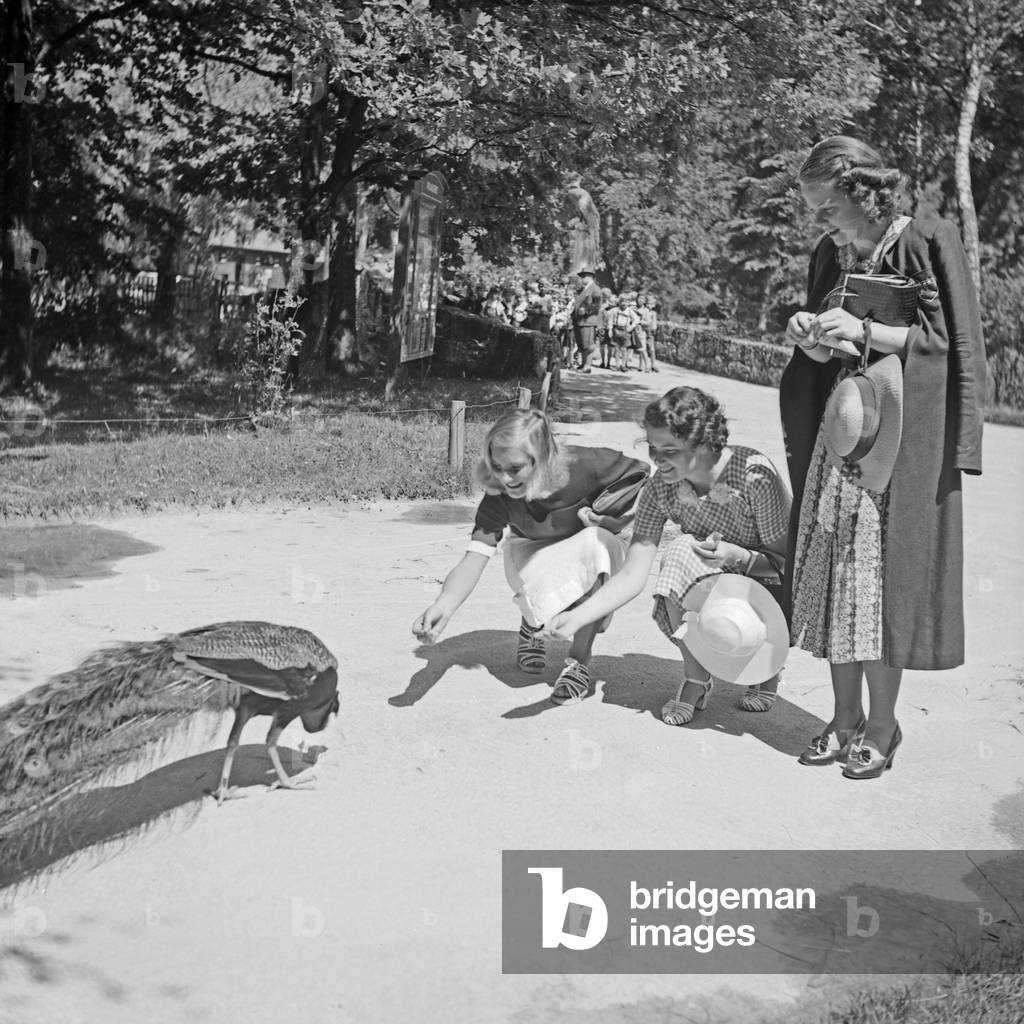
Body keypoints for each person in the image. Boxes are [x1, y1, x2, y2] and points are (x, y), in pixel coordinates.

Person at [780, 135, 986, 778]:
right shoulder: (830, 252)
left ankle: (881, 725)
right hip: (842, 437)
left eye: (827, 205)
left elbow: (956, 346)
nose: (822, 220)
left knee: (880, 589)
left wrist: (867, 332)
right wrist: (809, 335)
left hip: (902, 444)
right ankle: (841, 721)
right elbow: (827, 346)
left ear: (858, 187)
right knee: (837, 582)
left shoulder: (928, 237)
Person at [543, 387, 792, 724]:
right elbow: (634, 572)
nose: (657, 461)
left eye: (670, 450)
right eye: (653, 448)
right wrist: (579, 616)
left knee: (730, 587)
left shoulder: (753, 476)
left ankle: (768, 664)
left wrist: (739, 556)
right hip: (713, 578)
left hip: (767, 577)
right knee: (676, 553)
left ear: (704, 443)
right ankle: (696, 678)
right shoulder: (662, 486)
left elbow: (786, 563)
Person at [413, 409, 649, 704]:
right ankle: (532, 619)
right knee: (568, 573)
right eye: (497, 466)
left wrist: (611, 517)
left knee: (600, 543)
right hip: (528, 551)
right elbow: (473, 559)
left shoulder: (586, 465)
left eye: (514, 468)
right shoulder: (497, 495)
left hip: (585, 545)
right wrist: (443, 605)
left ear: (543, 458)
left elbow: (642, 474)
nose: (504, 477)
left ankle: (577, 663)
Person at [571, 267, 603, 373]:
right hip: (580, 321)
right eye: (582, 276)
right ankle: (583, 364)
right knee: (581, 344)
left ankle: (587, 366)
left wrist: (586, 311)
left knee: (587, 345)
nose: (582, 278)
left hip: (588, 321)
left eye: (584, 276)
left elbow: (597, 305)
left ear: (591, 277)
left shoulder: (595, 289)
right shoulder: (584, 289)